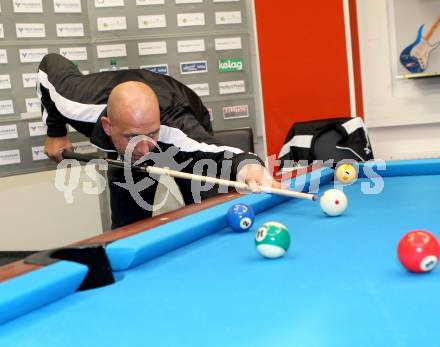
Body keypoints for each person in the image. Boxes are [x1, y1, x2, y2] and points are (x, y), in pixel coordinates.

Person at [37, 53, 280, 228]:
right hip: (124, 149)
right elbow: (49, 65)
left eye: (150, 134)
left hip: (184, 117)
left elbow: (223, 153)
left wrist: (250, 166)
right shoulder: (77, 104)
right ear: (107, 126)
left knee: (205, 211)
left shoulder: (177, 129)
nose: (144, 149)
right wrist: (55, 132)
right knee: (128, 227)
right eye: (132, 137)